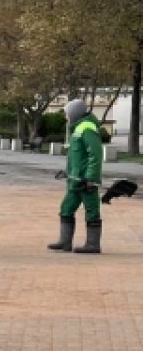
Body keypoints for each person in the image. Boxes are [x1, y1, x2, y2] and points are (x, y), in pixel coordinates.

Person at [48, 98, 104, 254]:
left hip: (86, 180)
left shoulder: (87, 127)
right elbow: (77, 156)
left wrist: (91, 177)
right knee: (66, 207)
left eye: (67, 114)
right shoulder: (78, 128)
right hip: (76, 179)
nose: (66, 117)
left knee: (91, 209)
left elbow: (95, 154)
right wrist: (69, 172)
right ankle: (65, 242)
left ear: (74, 113)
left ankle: (93, 244)